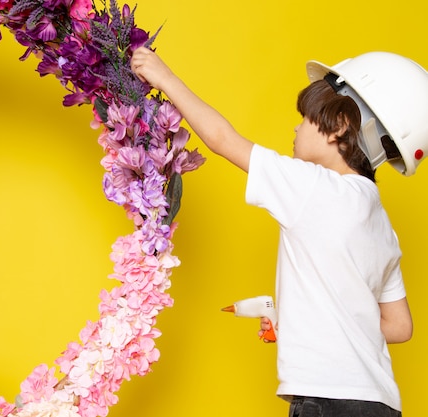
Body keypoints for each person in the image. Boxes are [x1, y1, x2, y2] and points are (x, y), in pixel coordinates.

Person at [130, 46, 419, 417]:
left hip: (327, 401)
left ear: (341, 125)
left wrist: (165, 78)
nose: (296, 127)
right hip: (379, 402)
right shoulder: (380, 222)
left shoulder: (314, 188)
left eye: (306, 118)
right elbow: (399, 326)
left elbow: (222, 139)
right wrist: (309, 323)